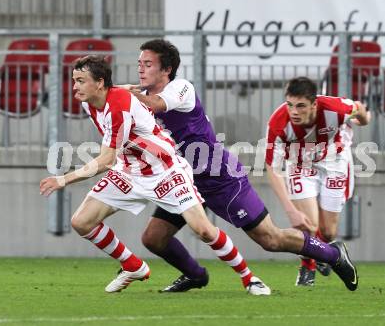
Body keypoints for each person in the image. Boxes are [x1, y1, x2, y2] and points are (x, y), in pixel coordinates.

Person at [119, 39, 359, 293]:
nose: (141, 70)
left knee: (270, 239)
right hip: (184, 180)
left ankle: (333, 255)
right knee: (154, 239)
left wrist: (117, 92)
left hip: (219, 177)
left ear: (166, 69)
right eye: (139, 64)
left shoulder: (181, 88)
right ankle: (195, 275)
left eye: (148, 64)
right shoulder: (140, 98)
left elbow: (157, 104)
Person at [39, 55, 272, 295]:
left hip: (165, 171)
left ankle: (249, 278)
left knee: (204, 230)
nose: (75, 86)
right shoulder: (90, 101)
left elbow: (106, 160)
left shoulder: (118, 107)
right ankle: (132, 266)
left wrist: (63, 179)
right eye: (74, 80)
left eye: (80, 80)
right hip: (130, 171)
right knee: (81, 222)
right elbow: (116, 100)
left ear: (99, 83)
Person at [265, 76, 370, 286]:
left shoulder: (334, 108)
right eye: (290, 105)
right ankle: (308, 267)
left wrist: (363, 120)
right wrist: (290, 210)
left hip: (335, 161)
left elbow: (359, 108)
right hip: (300, 164)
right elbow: (272, 168)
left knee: (328, 231)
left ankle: (329, 250)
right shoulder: (278, 123)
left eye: (301, 106)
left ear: (314, 104)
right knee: (309, 225)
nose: (294, 111)